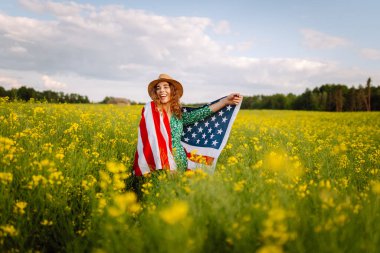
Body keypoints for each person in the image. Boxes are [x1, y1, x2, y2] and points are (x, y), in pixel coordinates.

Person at [133, 73, 242, 176]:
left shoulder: (177, 114)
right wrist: (165, 162)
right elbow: (150, 140)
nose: (162, 90)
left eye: (166, 87)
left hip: (180, 160)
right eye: (158, 88)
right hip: (159, 161)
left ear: (172, 90)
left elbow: (200, 113)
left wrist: (225, 101)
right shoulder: (151, 111)